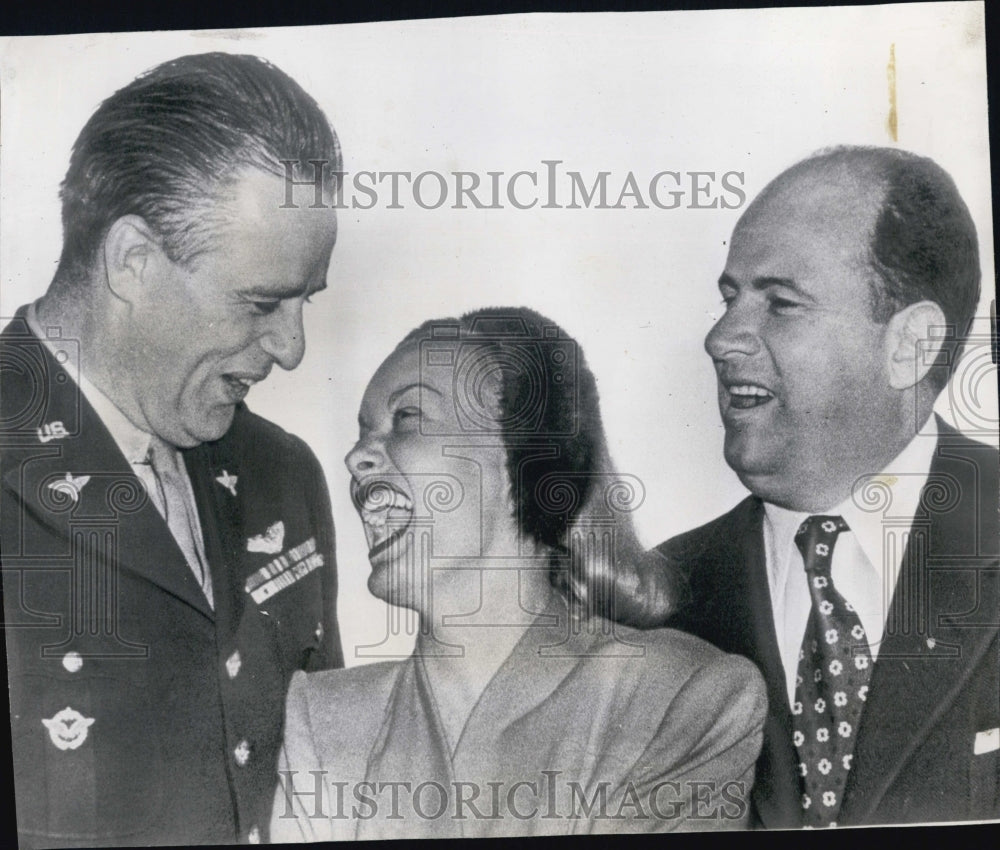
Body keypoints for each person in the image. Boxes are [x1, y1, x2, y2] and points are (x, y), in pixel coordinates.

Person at [0, 53, 344, 846]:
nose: (291, 348)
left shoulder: (280, 472)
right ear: (133, 261)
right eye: (261, 301)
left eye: (305, 301)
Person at [271, 307, 767, 840]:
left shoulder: (680, 698)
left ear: (522, 459)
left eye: (407, 418)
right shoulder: (322, 717)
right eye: (362, 432)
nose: (356, 457)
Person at [655, 146, 998, 828]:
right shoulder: (653, 601)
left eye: (780, 304)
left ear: (910, 344)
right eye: (730, 298)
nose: (722, 339)